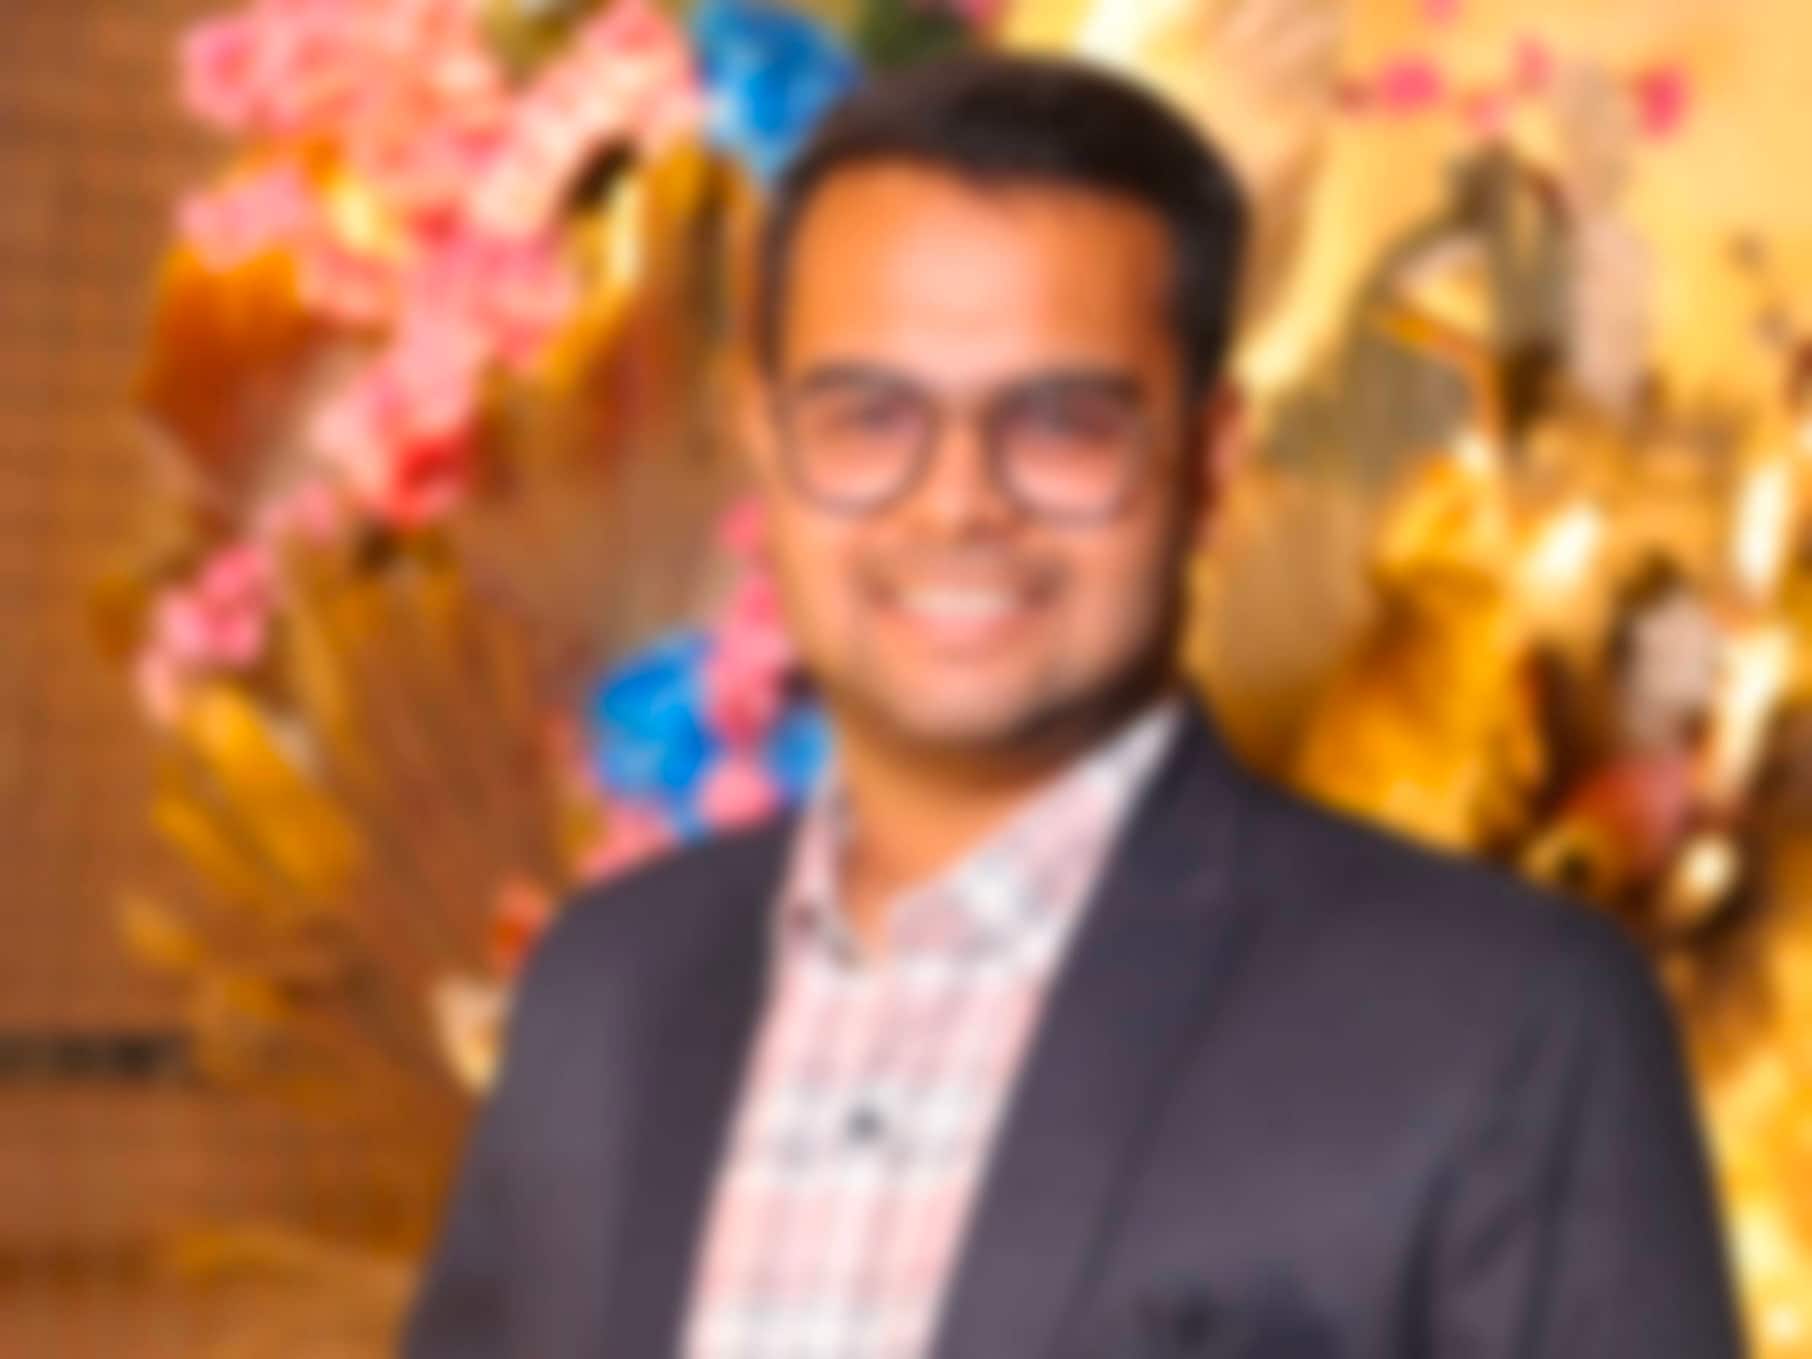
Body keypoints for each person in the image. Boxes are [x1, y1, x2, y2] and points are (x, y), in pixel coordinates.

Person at [403, 54, 1744, 1359]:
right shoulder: (611, 992)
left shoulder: (1508, 1029)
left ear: (1209, 464)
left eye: (1059, 424)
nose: (956, 503)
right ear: (767, 443)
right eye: (870, 417)